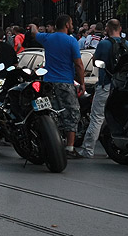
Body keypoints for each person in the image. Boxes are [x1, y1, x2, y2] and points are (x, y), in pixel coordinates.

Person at [28, 15, 85, 158]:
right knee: (72, 113)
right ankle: (69, 148)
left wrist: (32, 26)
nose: (72, 25)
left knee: (51, 112)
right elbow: (78, 64)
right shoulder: (72, 41)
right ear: (66, 25)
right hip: (65, 82)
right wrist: (82, 82)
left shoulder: (47, 38)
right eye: (71, 23)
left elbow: (34, 33)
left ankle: (52, 141)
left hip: (48, 82)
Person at [78, 18, 128, 159]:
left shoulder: (103, 44)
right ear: (120, 29)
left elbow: (95, 61)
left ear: (107, 29)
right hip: (122, 87)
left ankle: (88, 150)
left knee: (97, 117)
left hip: (105, 84)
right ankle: (118, 147)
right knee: (118, 118)